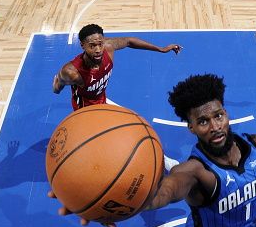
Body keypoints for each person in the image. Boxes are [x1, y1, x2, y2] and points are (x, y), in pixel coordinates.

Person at [50, 74, 256, 227]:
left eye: (218, 115)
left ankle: (164, 161)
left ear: (226, 114)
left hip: (245, 226)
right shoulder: (194, 174)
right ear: (191, 128)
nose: (215, 127)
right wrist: (101, 202)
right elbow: (162, 195)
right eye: (203, 121)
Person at [52, 23, 183, 170]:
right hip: (85, 113)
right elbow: (58, 85)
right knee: (102, 151)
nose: (97, 50)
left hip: (102, 102)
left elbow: (129, 41)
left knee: (138, 127)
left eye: (100, 44)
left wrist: (161, 49)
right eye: (92, 46)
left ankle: (163, 161)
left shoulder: (108, 48)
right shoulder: (72, 72)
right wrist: (56, 86)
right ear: (82, 46)